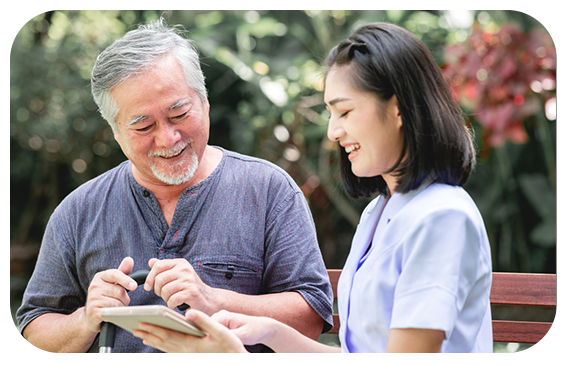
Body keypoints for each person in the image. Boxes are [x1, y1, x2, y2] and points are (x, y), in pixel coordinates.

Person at [132, 22, 493, 353]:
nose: (333, 132)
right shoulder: (380, 212)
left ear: (398, 109)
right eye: (330, 114)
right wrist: (269, 332)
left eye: (345, 112)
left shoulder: (442, 217)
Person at [16, 18, 334, 353]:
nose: (168, 138)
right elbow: (38, 341)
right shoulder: (77, 211)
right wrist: (85, 319)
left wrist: (212, 300)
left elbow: (312, 316)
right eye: (143, 126)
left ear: (205, 103)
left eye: (179, 114)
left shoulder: (269, 190)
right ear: (116, 133)